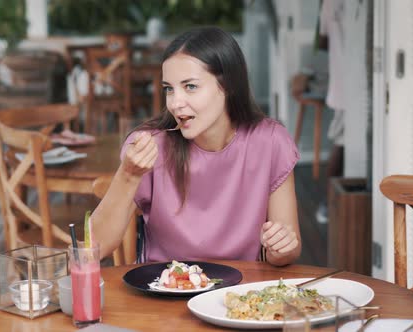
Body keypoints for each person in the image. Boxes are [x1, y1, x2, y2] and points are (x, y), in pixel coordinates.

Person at [91, 27, 301, 267]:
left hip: (239, 296)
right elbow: (95, 249)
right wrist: (128, 175)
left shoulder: (270, 141)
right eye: (169, 89)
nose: (175, 103)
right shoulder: (150, 144)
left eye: (190, 86)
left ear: (228, 86)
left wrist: (280, 248)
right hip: (163, 290)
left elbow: (289, 251)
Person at [316, 0, 346, 224]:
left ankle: (330, 201)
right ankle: (328, 201)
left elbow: (323, 41)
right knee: (341, 144)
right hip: (346, 88)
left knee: (341, 145)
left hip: (343, 86)